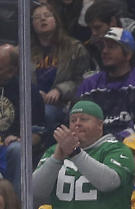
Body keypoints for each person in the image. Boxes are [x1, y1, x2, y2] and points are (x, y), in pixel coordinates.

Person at [75, 27, 135, 136]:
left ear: (128, 54)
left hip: (132, 145)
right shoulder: (89, 85)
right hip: (96, 146)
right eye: (103, 47)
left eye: (112, 47)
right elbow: (77, 120)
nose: (104, 51)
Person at [30, 1, 94, 132]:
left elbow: (84, 80)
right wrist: (33, 93)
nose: (42, 19)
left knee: (46, 112)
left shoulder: (74, 48)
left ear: (56, 20)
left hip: (63, 105)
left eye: (47, 15)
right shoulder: (24, 51)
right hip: (31, 104)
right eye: (37, 17)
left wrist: (60, 90)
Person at [0, 44, 44, 192]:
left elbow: (38, 134)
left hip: (10, 148)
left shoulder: (28, 91)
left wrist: (21, 139)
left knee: (18, 150)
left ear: (11, 71)